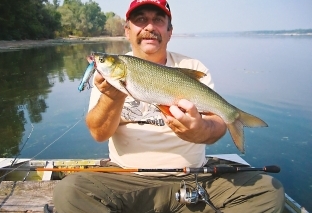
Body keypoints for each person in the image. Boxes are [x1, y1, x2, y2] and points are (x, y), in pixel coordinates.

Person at [53, 0, 285, 212]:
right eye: (141, 19)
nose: (149, 27)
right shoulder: (110, 73)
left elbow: (217, 124)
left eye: (158, 20)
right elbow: (99, 133)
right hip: (127, 179)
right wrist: (112, 98)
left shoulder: (192, 66)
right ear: (127, 30)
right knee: (70, 191)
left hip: (194, 179)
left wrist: (201, 130)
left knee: (268, 191)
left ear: (169, 31)